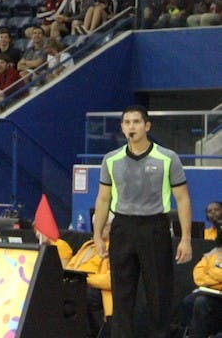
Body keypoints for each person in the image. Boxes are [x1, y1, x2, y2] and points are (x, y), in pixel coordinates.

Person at [92, 105, 192, 338]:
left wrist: (185, 238)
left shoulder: (167, 158)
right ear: (122, 127)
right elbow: (103, 198)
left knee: (158, 295)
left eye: (136, 122)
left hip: (155, 228)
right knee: (122, 294)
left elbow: (183, 199)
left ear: (147, 126)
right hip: (122, 229)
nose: (131, 127)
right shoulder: (110, 159)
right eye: (126, 122)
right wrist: (97, 235)